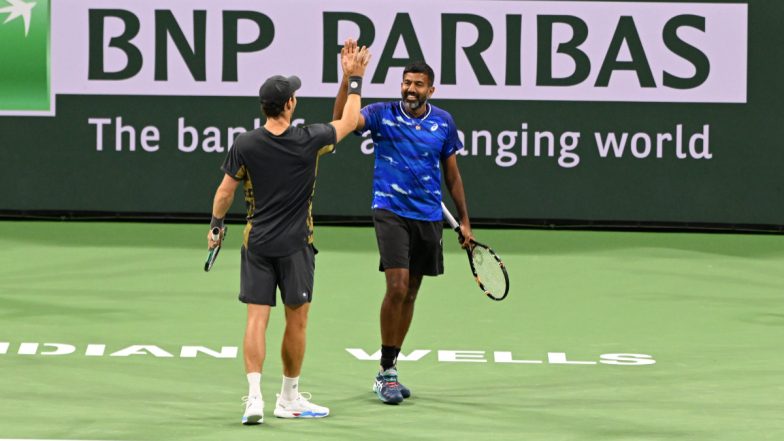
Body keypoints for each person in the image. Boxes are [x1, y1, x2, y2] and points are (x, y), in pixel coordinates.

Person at [208, 43, 371, 424]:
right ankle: (288, 397)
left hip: (257, 244)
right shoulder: (308, 140)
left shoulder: (244, 143)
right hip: (296, 247)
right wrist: (355, 76)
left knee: (255, 320)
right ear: (289, 106)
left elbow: (223, 193)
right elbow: (349, 120)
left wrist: (216, 227)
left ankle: (253, 399)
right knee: (296, 321)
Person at [333, 39, 474, 405]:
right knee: (396, 287)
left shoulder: (443, 122)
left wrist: (464, 222)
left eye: (418, 84)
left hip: (428, 215)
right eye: (406, 83)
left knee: (411, 291)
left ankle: (391, 366)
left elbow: (453, 177)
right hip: (390, 210)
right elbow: (342, 123)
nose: (411, 90)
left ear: (431, 89)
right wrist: (349, 79)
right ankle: (384, 371)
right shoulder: (381, 114)